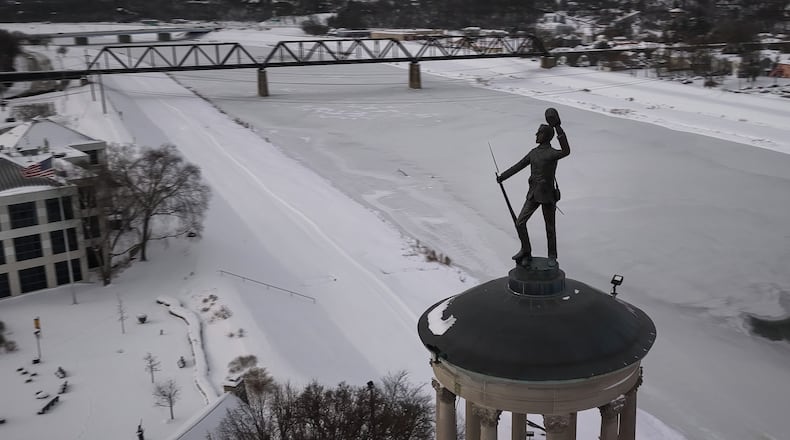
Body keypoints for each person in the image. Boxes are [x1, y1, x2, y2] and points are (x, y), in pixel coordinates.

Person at [497, 120, 570, 267]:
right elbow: (518, 166)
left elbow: (566, 151)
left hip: (548, 196)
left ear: (547, 136)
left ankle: (552, 255)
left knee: (550, 227)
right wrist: (502, 177)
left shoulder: (552, 153)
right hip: (533, 194)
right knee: (520, 222)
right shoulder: (533, 153)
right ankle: (526, 250)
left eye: (539, 133)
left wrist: (557, 127)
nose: (536, 135)